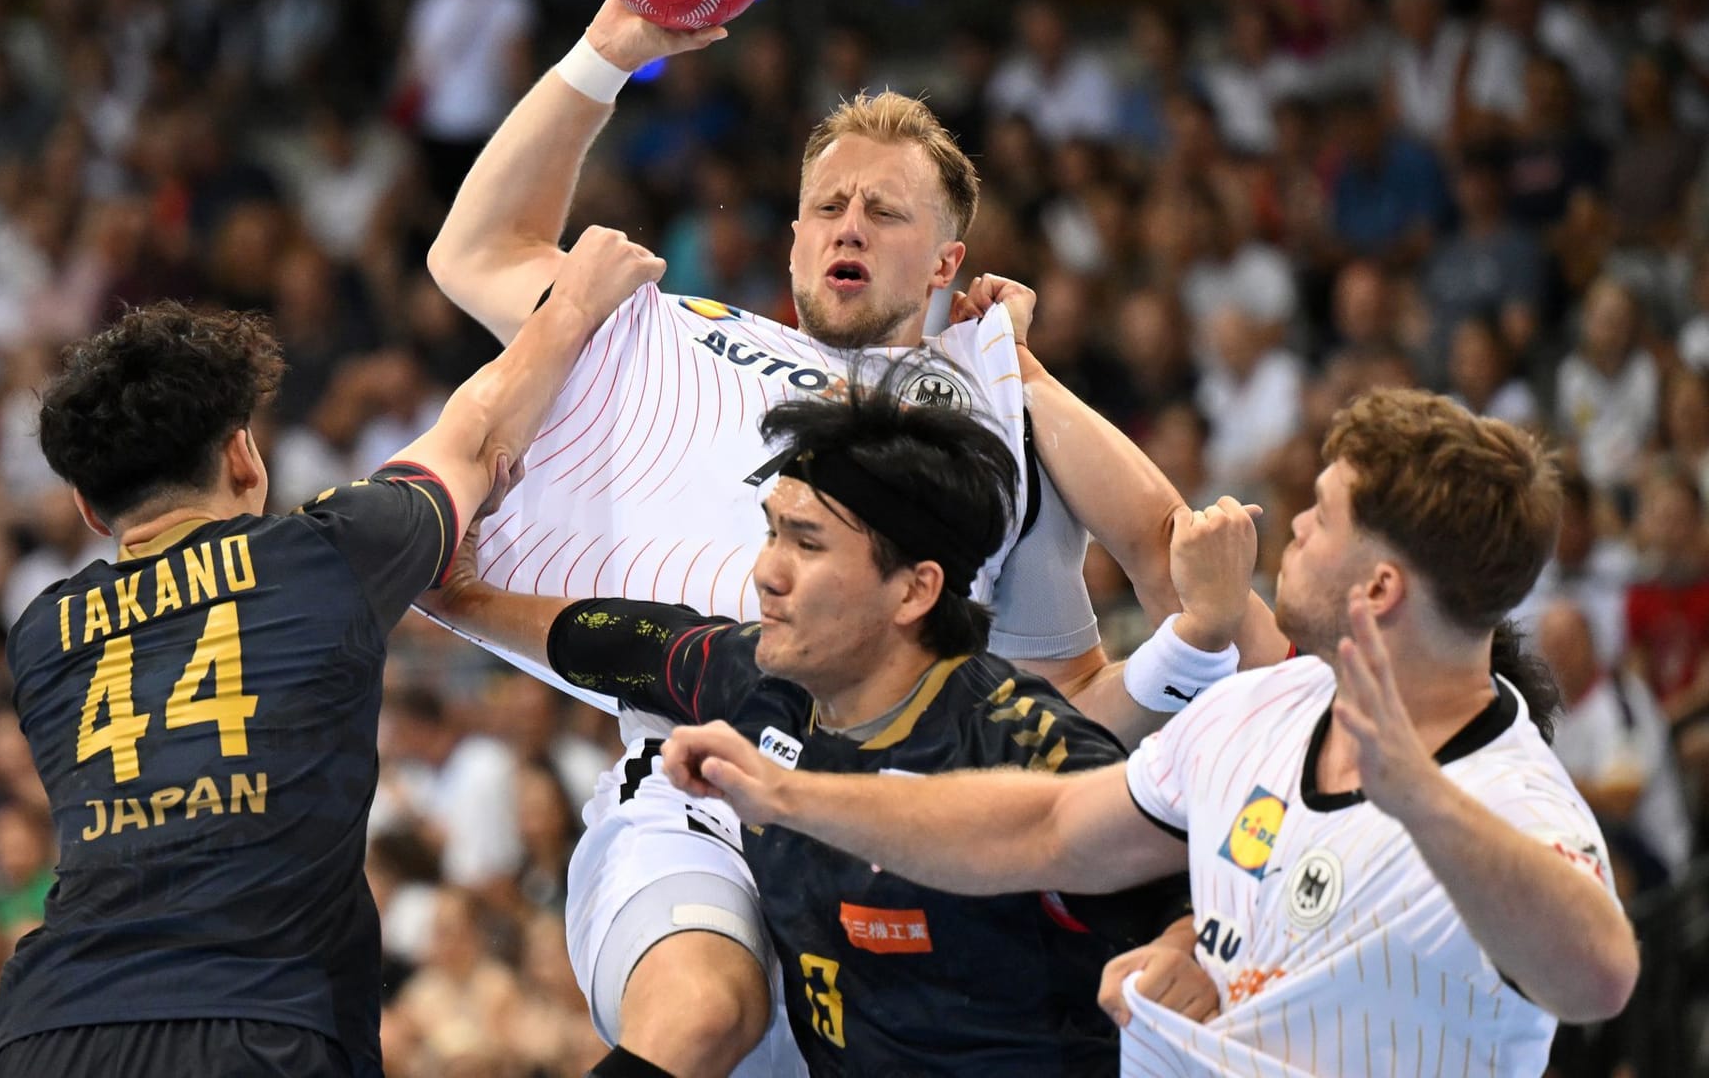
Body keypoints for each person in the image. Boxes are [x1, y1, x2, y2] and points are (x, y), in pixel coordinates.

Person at [426, 0, 1277, 1075]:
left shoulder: (990, 428)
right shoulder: (672, 333)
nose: (849, 224)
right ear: (790, 241)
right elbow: (474, 250)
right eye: (827, 204)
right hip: (699, 778)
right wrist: (611, 53)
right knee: (701, 1013)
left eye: (885, 210)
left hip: (905, 833)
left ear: (945, 260)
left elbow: (1093, 654)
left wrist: (1016, 368)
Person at [663, 389, 1641, 1075]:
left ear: (1379, 588)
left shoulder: (1510, 795)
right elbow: (1040, 829)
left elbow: (1597, 975)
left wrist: (1422, 800)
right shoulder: (1265, 709)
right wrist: (790, 792)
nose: (1288, 524)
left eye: (1321, 516)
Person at [419, 361, 1237, 1075]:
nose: (766, 573)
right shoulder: (764, 683)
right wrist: (459, 598)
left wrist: (1188, 946)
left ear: (915, 590)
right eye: (771, 531)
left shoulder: (1023, 745)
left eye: (806, 545)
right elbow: (624, 643)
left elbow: (1208, 886)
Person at [0, 225, 664, 1078]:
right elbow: (477, 429)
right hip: (260, 1023)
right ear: (242, 452)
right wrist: (577, 300)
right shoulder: (326, 556)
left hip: (51, 1032)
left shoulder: (42, 636)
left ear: (88, 508)